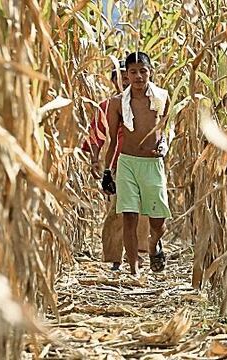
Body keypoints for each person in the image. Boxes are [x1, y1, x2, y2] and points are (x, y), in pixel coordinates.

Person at [101, 51, 172, 275]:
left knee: (158, 221)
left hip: (152, 163)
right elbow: (112, 140)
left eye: (143, 71)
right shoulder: (117, 103)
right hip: (127, 163)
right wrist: (106, 171)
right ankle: (134, 270)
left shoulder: (162, 97)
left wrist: (164, 146)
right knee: (129, 216)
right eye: (133, 72)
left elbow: (165, 130)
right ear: (127, 75)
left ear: (150, 72)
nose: (139, 76)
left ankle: (153, 244)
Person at [81, 61, 150, 270]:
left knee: (143, 209)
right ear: (114, 81)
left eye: (127, 77)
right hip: (119, 164)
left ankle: (137, 254)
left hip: (144, 162)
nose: (126, 81)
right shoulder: (109, 106)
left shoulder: (148, 102)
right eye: (121, 78)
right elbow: (95, 136)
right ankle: (114, 258)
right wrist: (95, 160)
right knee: (119, 210)